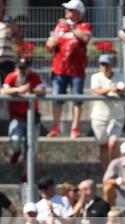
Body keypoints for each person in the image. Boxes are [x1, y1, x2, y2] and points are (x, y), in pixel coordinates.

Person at [46, 0, 92, 138]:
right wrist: (52, 42)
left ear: (78, 13)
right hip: (59, 69)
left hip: (77, 71)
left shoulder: (84, 26)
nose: (66, 11)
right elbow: (48, 44)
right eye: (66, 9)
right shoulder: (59, 26)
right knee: (57, 99)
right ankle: (55, 127)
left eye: (70, 9)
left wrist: (70, 28)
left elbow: (86, 38)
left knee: (77, 99)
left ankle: (75, 128)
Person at [2, 57, 46, 166]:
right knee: (15, 140)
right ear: (16, 68)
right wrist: (18, 90)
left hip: (32, 117)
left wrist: (30, 89)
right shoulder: (11, 76)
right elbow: (3, 90)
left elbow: (42, 90)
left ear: (28, 68)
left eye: (24, 68)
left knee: (31, 149)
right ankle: (17, 151)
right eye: (20, 68)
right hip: (16, 116)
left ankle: (26, 176)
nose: (22, 70)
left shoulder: (34, 76)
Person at [90, 55, 125, 171]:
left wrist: (119, 90)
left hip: (116, 116)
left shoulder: (120, 76)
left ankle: (117, 169)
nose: (105, 67)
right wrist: (111, 89)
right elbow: (97, 90)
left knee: (113, 143)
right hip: (99, 116)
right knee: (103, 145)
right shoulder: (95, 77)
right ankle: (108, 172)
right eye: (102, 64)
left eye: (107, 64)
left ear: (112, 65)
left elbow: (123, 90)